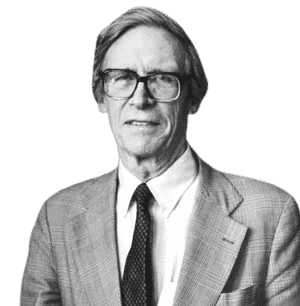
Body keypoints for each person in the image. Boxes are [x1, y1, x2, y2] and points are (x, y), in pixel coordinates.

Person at [20, 6, 300, 306]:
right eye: (122, 77)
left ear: (193, 97)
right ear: (101, 96)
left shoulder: (271, 214)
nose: (140, 99)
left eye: (162, 78)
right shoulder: (57, 217)